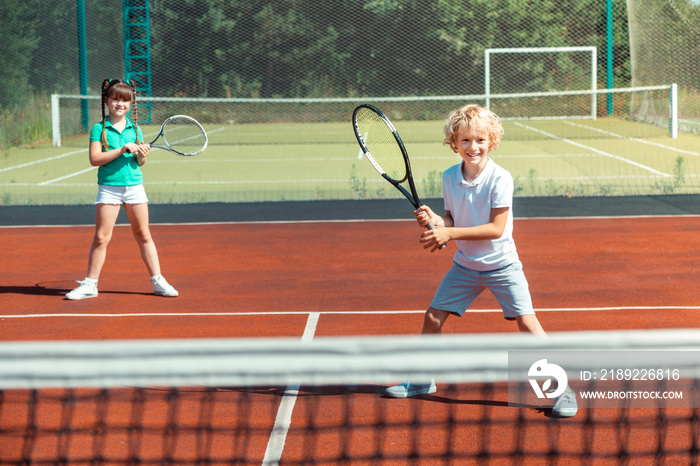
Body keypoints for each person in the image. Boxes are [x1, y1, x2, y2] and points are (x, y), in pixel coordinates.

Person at [384, 104, 576, 418]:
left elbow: (496, 229)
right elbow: (450, 218)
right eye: (466, 141)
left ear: (492, 141)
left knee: (527, 324)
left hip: (503, 265)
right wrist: (436, 220)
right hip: (466, 266)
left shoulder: (501, 178)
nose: (473, 147)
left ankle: (561, 390)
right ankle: (421, 380)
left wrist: (449, 233)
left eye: (480, 140)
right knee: (432, 318)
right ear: (454, 143)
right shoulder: (449, 177)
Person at [65, 79, 178, 300]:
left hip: (135, 187)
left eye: (125, 100)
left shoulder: (135, 128)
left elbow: (139, 162)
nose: (120, 104)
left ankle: (158, 281)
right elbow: (94, 159)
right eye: (116, 98)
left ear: (131, 103)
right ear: (107, 100)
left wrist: (141, 154)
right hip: (109, 189)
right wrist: (121, 149)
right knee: (101, 238)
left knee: (143, 234)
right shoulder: (99, 128)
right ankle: (90, 284)